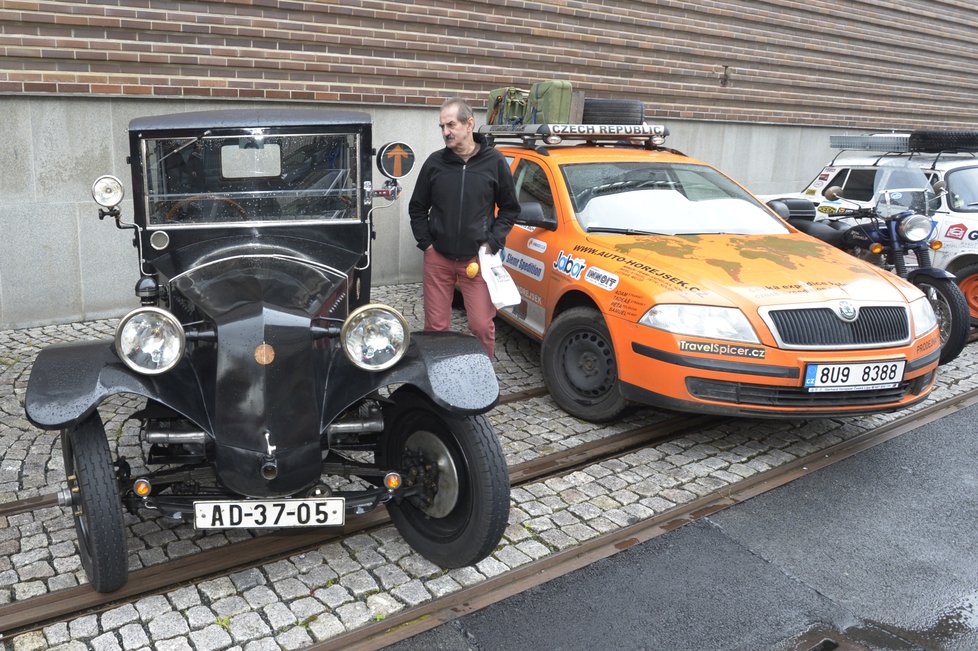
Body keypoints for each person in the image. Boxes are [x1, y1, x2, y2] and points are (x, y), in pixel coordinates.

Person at [408, 97, 521, 359]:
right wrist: (427, 244)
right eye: (442, 127)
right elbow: (417, 207)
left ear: (469, 124)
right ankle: (439, 381)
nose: (445, 132)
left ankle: (481, 383)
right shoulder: (435, 163)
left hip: (477, 259)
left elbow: (509, 209)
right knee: (436, 328)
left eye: (451, 125)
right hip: (439, 258)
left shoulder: (494, 162)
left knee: (481, 325)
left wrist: (492, 243)